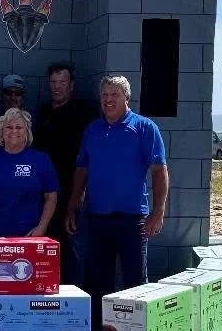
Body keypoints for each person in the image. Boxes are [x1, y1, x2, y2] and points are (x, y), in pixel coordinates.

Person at [65, 75, 169, 312]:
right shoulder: (92, 129)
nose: (108, 100)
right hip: (98, 218)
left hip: (133, 220)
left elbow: (159, 171)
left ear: (127, 98)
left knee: (135, 282)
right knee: (98, 281)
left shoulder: (144, 127)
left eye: (114, 95)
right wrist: (72, 208)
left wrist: (158, 213)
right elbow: (81, 171)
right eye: (104, 95)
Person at [34, 61, 96, 284]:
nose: (57, 86)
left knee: (75, 248)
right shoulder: (41, 113)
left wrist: (80, 194)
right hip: (44, 193)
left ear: (71, 85)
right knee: (48, 246)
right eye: (53, 82)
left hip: (74, 191)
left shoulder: (85, 113)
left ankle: (77, 297)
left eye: (62, 81)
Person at [0, 109, 60, 240]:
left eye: (19, 127)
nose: (14, 131)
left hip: (30, 236)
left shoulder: (41, 159)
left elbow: (51, 196)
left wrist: (42, 227)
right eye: (9, 127)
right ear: (1, 131)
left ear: (27, 132)